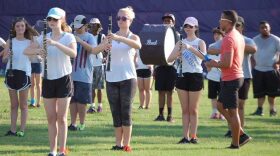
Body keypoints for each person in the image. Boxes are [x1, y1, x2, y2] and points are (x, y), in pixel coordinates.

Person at [24, 7, 77, 156]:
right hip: (47, 79)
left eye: (55, 19)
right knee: (51, 118)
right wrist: (38, 51)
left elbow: (73, 53)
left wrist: (55, 43)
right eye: (49, 19)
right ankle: (52, 151)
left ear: (62, 20)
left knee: (61, 118)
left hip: (64, 78)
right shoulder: (43, 37)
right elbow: (26, 51)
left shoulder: (68, 37)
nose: (52, 21)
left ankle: (62, 151)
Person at [205, 10, 251, 149]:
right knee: (220, 106)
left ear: (228, 22)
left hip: (232, 78)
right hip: (232, 77)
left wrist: (213, 63)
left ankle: (236, 143)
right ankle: (241, 134)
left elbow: (227, 63)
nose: (219, 22)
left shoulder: (229, 38)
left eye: (221, 19)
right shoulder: (236, 36)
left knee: (233, 112)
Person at [105, 6, 141, 152]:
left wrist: (119, 38)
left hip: (128, 78)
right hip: (111, 78)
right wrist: (105, 49)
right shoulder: (110, 36)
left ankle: (126, 144)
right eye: (118, 18)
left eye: (124, 18)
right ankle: (118, 143)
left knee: (126, 111)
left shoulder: (133, 36)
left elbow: (138, 45)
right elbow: (100, 51)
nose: (120, 20)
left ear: (131, 20)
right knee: (115, 112)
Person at [168, 16, 206, 144]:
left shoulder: (200, 42)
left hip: (196, 76)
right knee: (185, 109)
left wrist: (189, 48)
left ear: (196, 27)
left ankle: (193, 136)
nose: (188, 28)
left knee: (193, 109)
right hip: (182, 76)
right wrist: (178, 53)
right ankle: (185, 137)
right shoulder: (180, 42)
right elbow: (169, 59)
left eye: (191, 26)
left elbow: (204, 58)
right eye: (186, 26)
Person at [68, 15, 109, 131]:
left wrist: (79, 41)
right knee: (72, 100)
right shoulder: (70, 36)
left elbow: (92, 50)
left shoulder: (89, 37)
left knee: (81, 102)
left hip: (84, 74)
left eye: (79, 27)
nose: (76, 29)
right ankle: (72, 123)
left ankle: (82, 123)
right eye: (75, 27)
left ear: (85, 26)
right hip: (70, 74)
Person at [2, 17, 38, 137]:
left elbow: (36, 55)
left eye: (22, 26)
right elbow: (4, 59)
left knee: (23, 105)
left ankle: (21, 130)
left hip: (24, 73)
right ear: (14, 28)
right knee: (13, 105)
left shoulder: (30, 41)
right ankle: (12, 130)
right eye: (17, 26)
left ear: (25, 27)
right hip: (11, 73)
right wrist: (8, 56)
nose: (20, 28)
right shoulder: (10, 41)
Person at [251, 21, 280, 117]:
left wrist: (278, 63)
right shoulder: (254, 40)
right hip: (258, 70)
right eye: (262, 27)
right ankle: (260, 110)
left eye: (266, 27)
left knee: (272, 93)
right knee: (260, 93)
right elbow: (250, 54)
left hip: (271, 71)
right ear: (259, 29)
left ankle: (272, 110)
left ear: (269, 28)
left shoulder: (276, 40)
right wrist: (253, 63)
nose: (264, 29)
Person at [154, 13, 177, 122]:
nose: (167, 22)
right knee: (161, 92)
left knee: (170, 92)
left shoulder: (176, 34)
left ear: (173, 22)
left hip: (172, 67)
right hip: (160, 66)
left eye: (169, 20)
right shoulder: (158, 33)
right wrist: (154, 67)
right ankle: (160, 115)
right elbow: (154, 51)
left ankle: (170, 116)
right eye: (165, 20)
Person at [87, 18, 106, 113]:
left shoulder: (102, 36)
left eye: (95, 25)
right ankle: (92, 106)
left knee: (99, 87)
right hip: (90, 64)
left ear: (98, 26)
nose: (93, 26)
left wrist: (105, 57)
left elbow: (106, 49)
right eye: (92, 25)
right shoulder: (88, 36)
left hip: (99, 64)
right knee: (91, 87)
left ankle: (100, 106)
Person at [207, 27, 224, 120]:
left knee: (222, 97)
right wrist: (208, 67)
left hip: (223, 76)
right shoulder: (211, 46)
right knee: (213, 96)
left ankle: (222, 114)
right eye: (215, 34)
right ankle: (214, 113)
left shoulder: (225, 45)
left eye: (218, 34)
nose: (216, 36)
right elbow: (207, 59)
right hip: (212, 76)